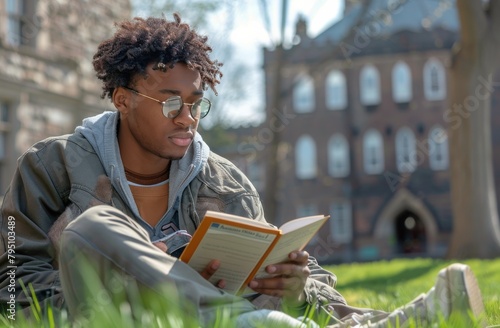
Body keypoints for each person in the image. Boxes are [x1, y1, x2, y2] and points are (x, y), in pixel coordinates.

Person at [0, 14, 487, 327]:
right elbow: (9, 287)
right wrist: (136, 286)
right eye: (170, 102)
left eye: (194, 103)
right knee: (91, 228)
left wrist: (295, 285)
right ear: (123, 100)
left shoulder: (223, 181)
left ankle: (393, 323)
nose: (186, 117)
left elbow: (287, 271)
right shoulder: (50, 165)